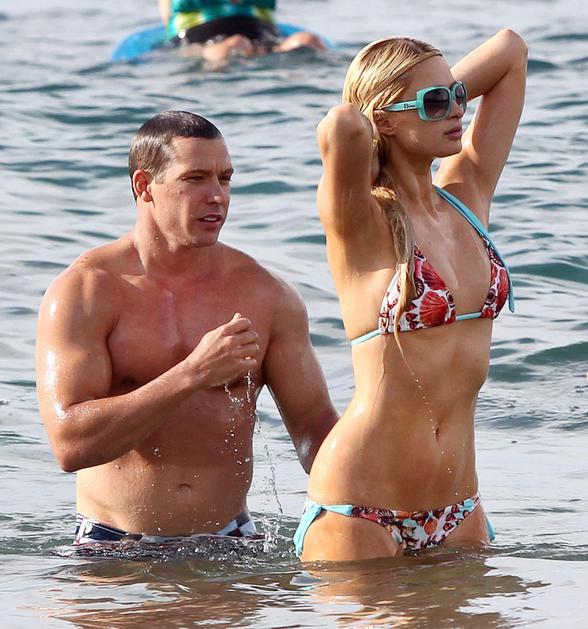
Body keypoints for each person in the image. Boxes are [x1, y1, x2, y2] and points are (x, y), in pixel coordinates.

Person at [36, 110, 338, 545]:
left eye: (225, 179)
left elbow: (314, 433)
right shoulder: (86, 291)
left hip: (232, 544)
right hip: (112, 548)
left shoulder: (267, 295)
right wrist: (193, 373)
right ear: (144, 186)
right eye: (195, 179)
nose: (217, 196)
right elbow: (70, 445)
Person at [293, 30, 527, 561]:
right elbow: (342, 124)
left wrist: (430, 96)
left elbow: (511, 51)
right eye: (437, 102)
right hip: (360, 507)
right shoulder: (361, 222)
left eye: (458, 97)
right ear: (384, 121)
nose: (457, 110)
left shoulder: (468, 196)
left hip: (459, 507)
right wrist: (390, 105)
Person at [158, 0, 325, 64]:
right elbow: (168, 20)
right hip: (201, 35)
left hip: (263, 34)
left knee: (307, 40)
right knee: (234, 44)